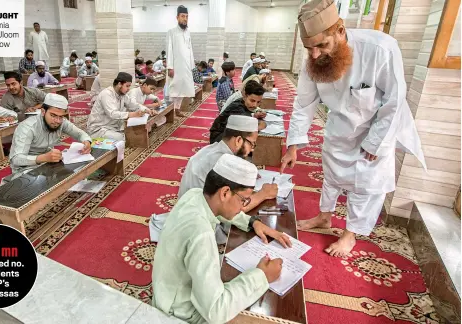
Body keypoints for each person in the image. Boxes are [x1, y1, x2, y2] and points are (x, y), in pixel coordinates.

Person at [280, 0, 426, 257]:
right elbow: (303, 104)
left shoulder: (380, 49)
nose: (315, 55)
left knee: (365, 184)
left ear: (340, 30)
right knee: (332, 174)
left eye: (322, 45)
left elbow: (394, 101)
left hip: (376, 127)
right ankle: (325, 217)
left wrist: (376, 142)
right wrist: (292, 146)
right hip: (339, 124)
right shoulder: (313, 61)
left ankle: (350, 235)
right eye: (309, 48)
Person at [152, 154, 285, 324]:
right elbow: (216, 311)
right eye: (243, 200)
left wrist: (252, 222)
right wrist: (262, 277)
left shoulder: (195, 195)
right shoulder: (200, 233)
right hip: (179, 312)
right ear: (225, 193)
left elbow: (225, 212)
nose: (243, 207)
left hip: (166, 291)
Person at [7, 93, 91, 182]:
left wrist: (86, 141)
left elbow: (80, 134)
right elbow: (16, 159)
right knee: (38, 183)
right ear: (43, 112)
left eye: (61, 116)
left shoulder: (61, 122)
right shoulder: (27, 127)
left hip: (49, 162)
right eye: (53, 115)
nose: (57, 121)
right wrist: (43, 158)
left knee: (79, 171)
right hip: (26, 168)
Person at [87, 72, 157, 141]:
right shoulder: (107, 94)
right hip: (99, 128)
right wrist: (132, 114)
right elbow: (112, 114)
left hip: (113, 126)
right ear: (119, 84)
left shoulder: (122, 95)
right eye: (127, 86)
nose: (129, 88)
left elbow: (133, 104)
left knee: (138, 130)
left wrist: (147, 110)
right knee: (124, 138)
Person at [166, 5, 195, 117]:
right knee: (174, 88)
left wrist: (192, 66)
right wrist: (170, 67)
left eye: (187, 16)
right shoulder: (171, 32)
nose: (185, 19)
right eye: (183, 16)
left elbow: (190, 49)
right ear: (177, 17)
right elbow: (169, 50)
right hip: (176, 66)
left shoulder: (188, 32)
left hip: (186, 66)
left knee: (183, 88)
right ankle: (170, 110)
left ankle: (177, 109)